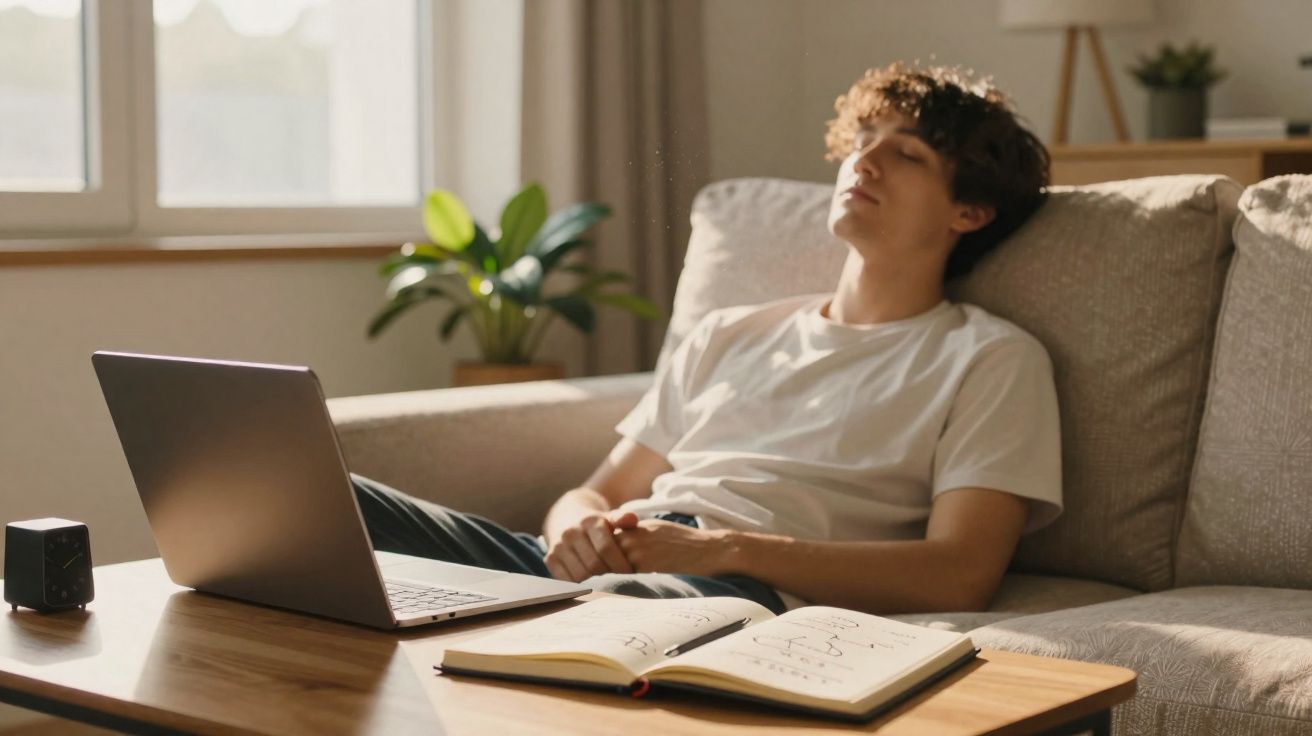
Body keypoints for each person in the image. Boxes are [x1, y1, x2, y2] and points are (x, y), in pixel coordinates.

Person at [353, 62, 1060, 616]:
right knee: (334, 509)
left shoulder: (989, 358)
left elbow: (959, 574)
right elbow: (594, 493)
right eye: (863, 141)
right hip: (614, 563)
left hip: (725, 596)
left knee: (590, 615)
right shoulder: (731, 331)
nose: (864, 162)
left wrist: (715, 549)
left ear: (969, 210)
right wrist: (577, 530)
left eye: (905, 154)